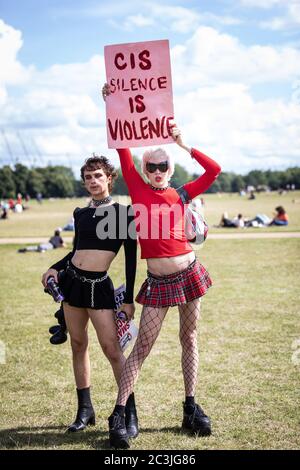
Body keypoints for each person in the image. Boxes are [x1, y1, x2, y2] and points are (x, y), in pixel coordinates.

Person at [103, 83, 221, 448]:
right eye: (151, 165)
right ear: (144, 168)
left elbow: (214, 170)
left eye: (163, 165)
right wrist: (111, 103)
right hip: (158, 282)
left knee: (189, 338)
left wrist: (184, 143)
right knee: (142, 348)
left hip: (191, 274)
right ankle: (119, 413)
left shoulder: (181, 192)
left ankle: (190, 406)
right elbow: (121, 148)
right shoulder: (138, 189)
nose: (157, 169)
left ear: (170, 168)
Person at [41, 155, 139, 436]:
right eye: (88, 177)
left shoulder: (124, 213)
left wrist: (130, 299)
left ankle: (128, 412)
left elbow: (131, 260)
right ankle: (85, 409)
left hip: (100, 288)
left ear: (109, 177)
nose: (93, 181)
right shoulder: (80, 213)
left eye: (97, 175)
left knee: (113, 350)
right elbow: (75, 253)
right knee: (78, 344)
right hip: (73, 285)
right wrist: (53, 268)